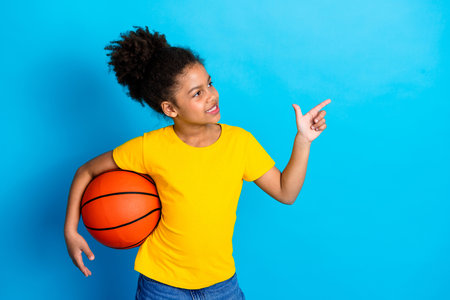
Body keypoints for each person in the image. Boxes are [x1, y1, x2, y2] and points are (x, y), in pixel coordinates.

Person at [64, 25, 330, 300]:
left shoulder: (240, 143)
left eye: (210, 84)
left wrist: (303, 140)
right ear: (170, 109)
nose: (211, 96)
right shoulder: (150, 147)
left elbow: (286, 192)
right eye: (197, 93)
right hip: (161, 286)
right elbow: (86, 171)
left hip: (221, 286)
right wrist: (70, 230)